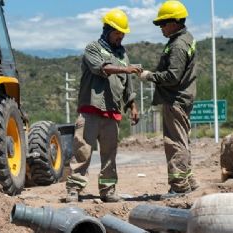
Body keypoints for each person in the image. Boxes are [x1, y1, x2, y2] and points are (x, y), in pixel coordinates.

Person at [66, 8, 141, 204]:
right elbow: (101, 69)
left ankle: (108, 190)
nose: (121, 36)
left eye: (123, 33)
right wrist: (125, 69)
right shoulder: (93, 48)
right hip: (90, 110)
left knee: (109, 155)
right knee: (82, 151)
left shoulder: (123, 54)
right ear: (107, 30)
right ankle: (74, 189)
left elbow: (127, 84)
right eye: (117, 32)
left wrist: (132, 105)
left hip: (112, 113)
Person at [139, 0, 200, 198]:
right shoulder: (185, 39)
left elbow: (173, 77)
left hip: (175, 99)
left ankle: (179, 187)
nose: (161, 28)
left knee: (175, 143)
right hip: (182, 98)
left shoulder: (178, 45)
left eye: (163, 24)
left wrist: (149, 76)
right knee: (182, 141)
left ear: (175, 22)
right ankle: (188, 181)